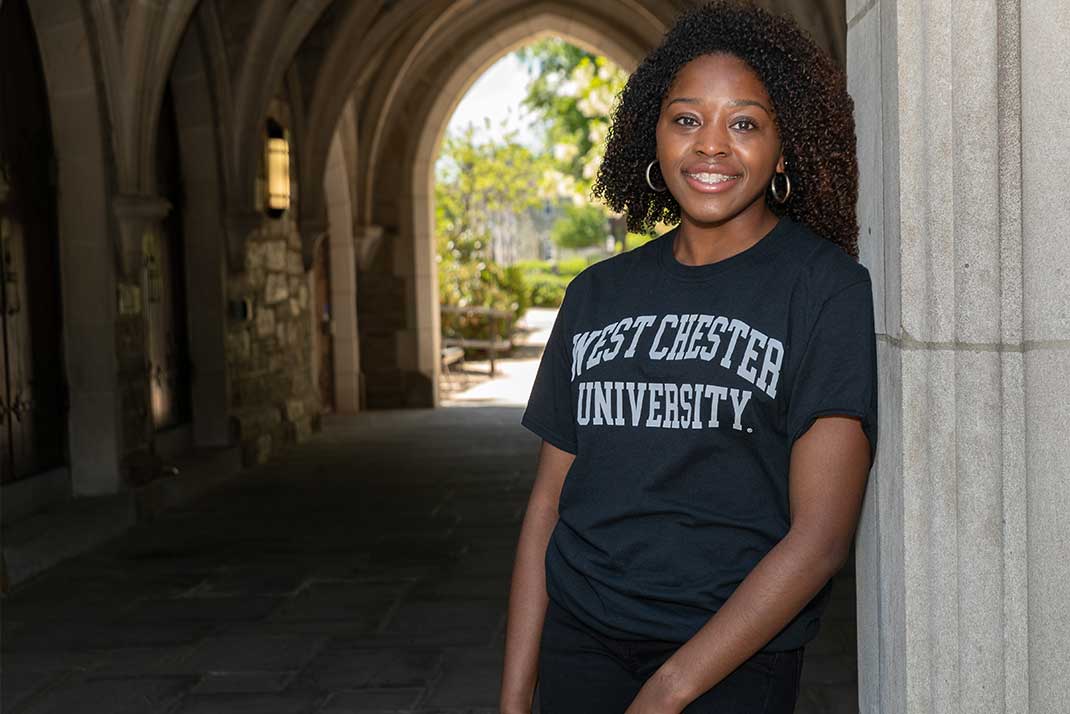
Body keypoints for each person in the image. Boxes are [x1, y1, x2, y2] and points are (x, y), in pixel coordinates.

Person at [500, 2, 877, 712]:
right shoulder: (596, 294)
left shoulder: (824, 289)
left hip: (735, 657)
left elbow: (820, 538)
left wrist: (671, 689)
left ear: (784, 145)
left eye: (743, 122)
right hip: (582, 643)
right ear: (654, 134)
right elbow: (549, 504)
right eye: (685, 119)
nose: (711, 145)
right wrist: (516, 696)